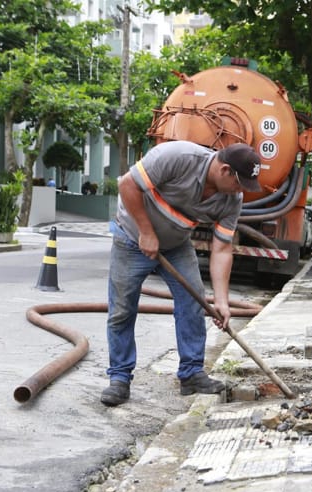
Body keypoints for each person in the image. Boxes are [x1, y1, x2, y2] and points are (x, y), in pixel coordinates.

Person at [100, 141, 262, 406]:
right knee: (122, 309)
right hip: (132, 238)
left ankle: (191, 374)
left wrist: (221, 300)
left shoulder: (232, 199)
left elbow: (222, 249)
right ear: (224, 170)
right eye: (239, 182)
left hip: (176, 245)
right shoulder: (177, 157)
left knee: (194, 300)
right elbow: (127, 185)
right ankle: (119, 377)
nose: (241, 189)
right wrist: (146, 231)